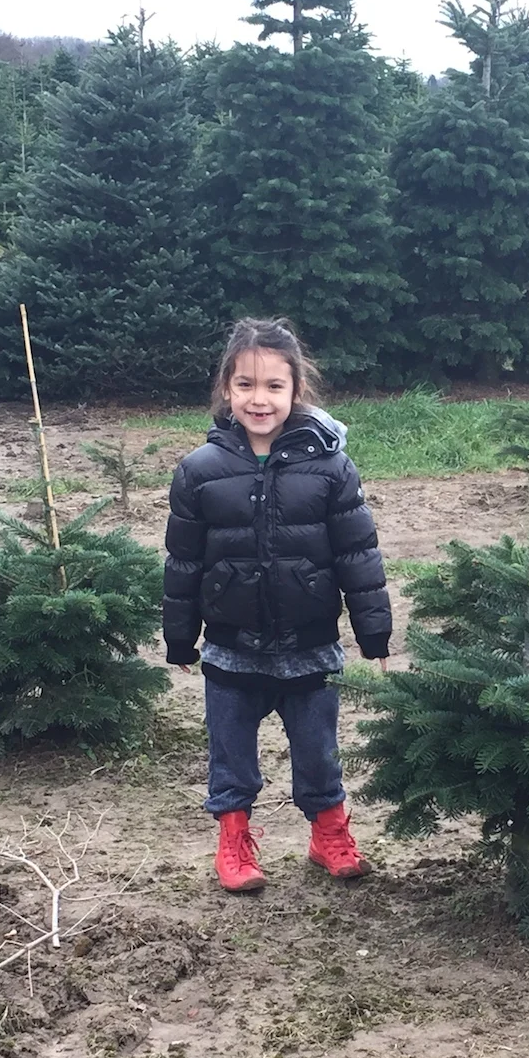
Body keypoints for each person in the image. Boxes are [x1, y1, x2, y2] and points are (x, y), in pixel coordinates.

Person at [162, 318, 391, 894]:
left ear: (295, 390)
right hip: (231, 648)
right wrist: (180, 637)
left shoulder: (332, 468)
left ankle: (329, 834)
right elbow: (183, 563)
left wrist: (374, 634)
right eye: (245, 385)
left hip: (311, 646)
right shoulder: (199, 471)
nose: (258, 399)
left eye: (273, 386)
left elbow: (359, 555)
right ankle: (234, 840)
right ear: (227, 389)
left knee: (318, 752)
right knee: (231, 754)